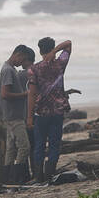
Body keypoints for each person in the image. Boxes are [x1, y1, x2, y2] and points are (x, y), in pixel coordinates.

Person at [26, 37, 72, 183]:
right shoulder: (60, 64)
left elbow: (32, 94)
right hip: (57, 111)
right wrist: (56, 51)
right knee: (54, 144)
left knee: (39, 144)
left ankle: (39, 177)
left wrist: (29, 117)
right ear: (51, 48)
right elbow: (69, 43)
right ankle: (49, 175)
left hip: (41, 112)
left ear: (39, 50)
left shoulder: (34, 69)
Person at [0, 44, 35, 186]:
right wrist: (25, 94)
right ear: (17, 55)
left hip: (10, 115)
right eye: (22, 60)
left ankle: (7, 178)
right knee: (24, 147)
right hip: (14, 116)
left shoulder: (9, 69)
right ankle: (16, 177)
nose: (22, 64)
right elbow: (5, 94)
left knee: (11, 148)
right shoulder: (8, 70)